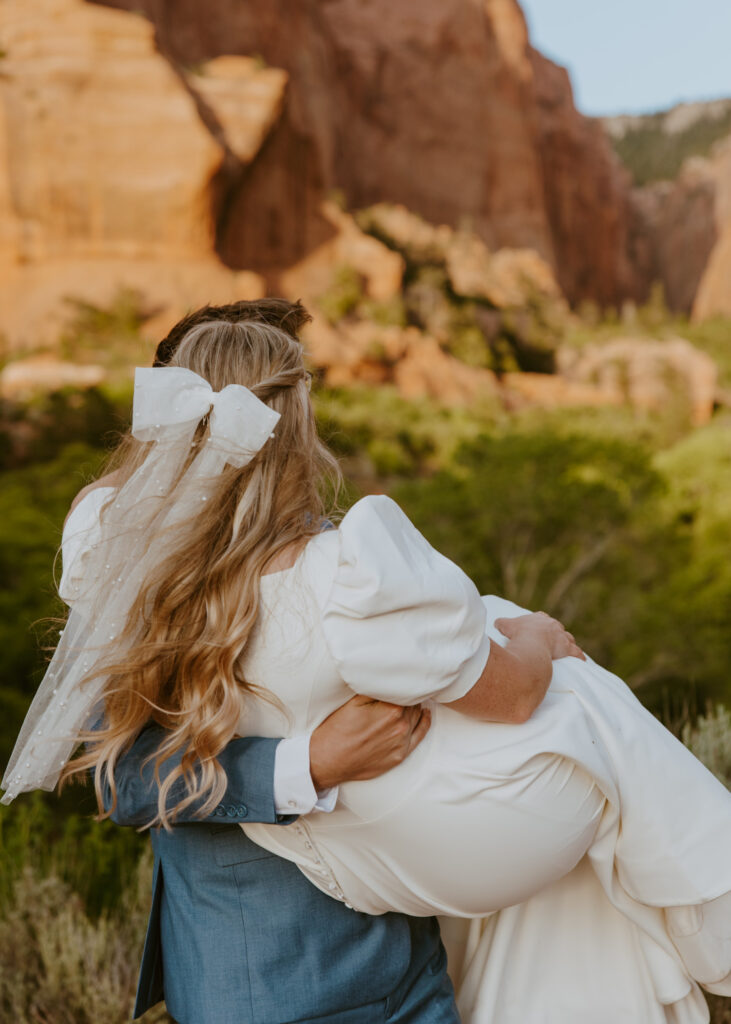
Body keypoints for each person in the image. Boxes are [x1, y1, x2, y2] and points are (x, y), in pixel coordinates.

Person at [3, 304, 731, 1024]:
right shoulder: (122, 558)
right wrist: (307, 763)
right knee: (584, 706)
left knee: (577, 709)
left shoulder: (337, 566)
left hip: (410, 963)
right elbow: (124, 777)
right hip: (268, 985)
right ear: (295, 423)